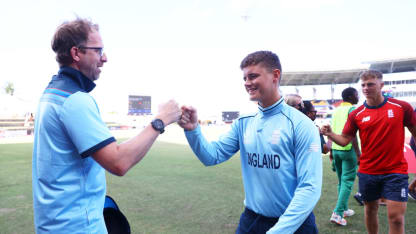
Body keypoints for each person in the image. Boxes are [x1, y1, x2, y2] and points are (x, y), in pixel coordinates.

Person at [32, 18, 181, 233]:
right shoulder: (75, 100)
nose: (105, 58)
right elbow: (119, 162)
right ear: (76, 53)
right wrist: (161, 120)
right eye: (99, 50)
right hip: (77, 227)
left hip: (54, 224)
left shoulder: (51, 93)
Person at [179, 51, 322, 233]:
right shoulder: (244, 122)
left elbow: (309, 187)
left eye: (253, 76)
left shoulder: (300, 125)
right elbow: (211, 156)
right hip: (251, 221)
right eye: (245, 78)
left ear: (275, 76)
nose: (247, 83)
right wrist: (193, 131)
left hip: (295, 224)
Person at [321, 70, 416, 234]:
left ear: (381, 85)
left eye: (370, 84)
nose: (366, 88)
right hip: (368, 171)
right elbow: (345, 139)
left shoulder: (402, 107)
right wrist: (330, 134)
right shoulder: (356, 114)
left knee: (396, 217)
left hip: (395, 171)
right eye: (363, 85)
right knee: (370, 211)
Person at [327, 87, 361, 226]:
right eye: (356, 94)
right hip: (348, 150)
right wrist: (358, 152)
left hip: (336, 149)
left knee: (342, 181)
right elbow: (351, 134)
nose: (358, 96)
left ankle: (344, 209)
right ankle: (338, 213)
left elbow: (331, 131)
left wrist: (330, 151)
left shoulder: (336, 110)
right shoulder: (352, 110)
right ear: (352, 96)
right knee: (347, 182)